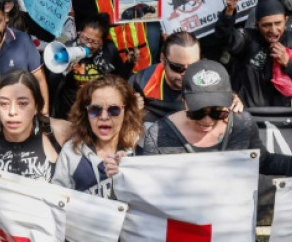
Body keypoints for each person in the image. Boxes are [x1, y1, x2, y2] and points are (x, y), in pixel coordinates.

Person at [114, 60, 279, 173]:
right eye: (197, 112)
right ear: (184, 101)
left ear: (230, 103)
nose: (207, 120)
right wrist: (125, 169)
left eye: (217, 113)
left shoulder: (243, 124)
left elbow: (264, 163)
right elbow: (147, 181)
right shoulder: (158, 134)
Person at [0, 70, 72, 180]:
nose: (12, 112)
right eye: (4, 103)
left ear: (36, 106)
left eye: (23, 103)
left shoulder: (59, 131)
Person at [215, 0, 292, 107]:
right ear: (256, 25)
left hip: (285, 116)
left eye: (278, 23)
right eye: (267, 25)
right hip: (250, 115)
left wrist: (289, 63)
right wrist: (228, 12)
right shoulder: (247, 39)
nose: (273, 30)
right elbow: (224, 37)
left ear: (286, 20)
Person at [52, 75, 143, 197]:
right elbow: (57, 201)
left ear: (126, 112)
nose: (104, 117)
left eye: (114, 110)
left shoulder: (139, 149)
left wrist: (128, 171)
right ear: (85, 113)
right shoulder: (71, 152)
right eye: (95, 110)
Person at [53, 14, 132, 119]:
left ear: (102, 42)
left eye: (95, 42)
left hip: (100, 110)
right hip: (72, 110)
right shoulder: (68, 49)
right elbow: (53, 82)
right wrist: (63, 70)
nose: (89, 45)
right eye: (85, 39)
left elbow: (120, 79)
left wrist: (129, 64)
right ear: (79, 34)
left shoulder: (109, 50)